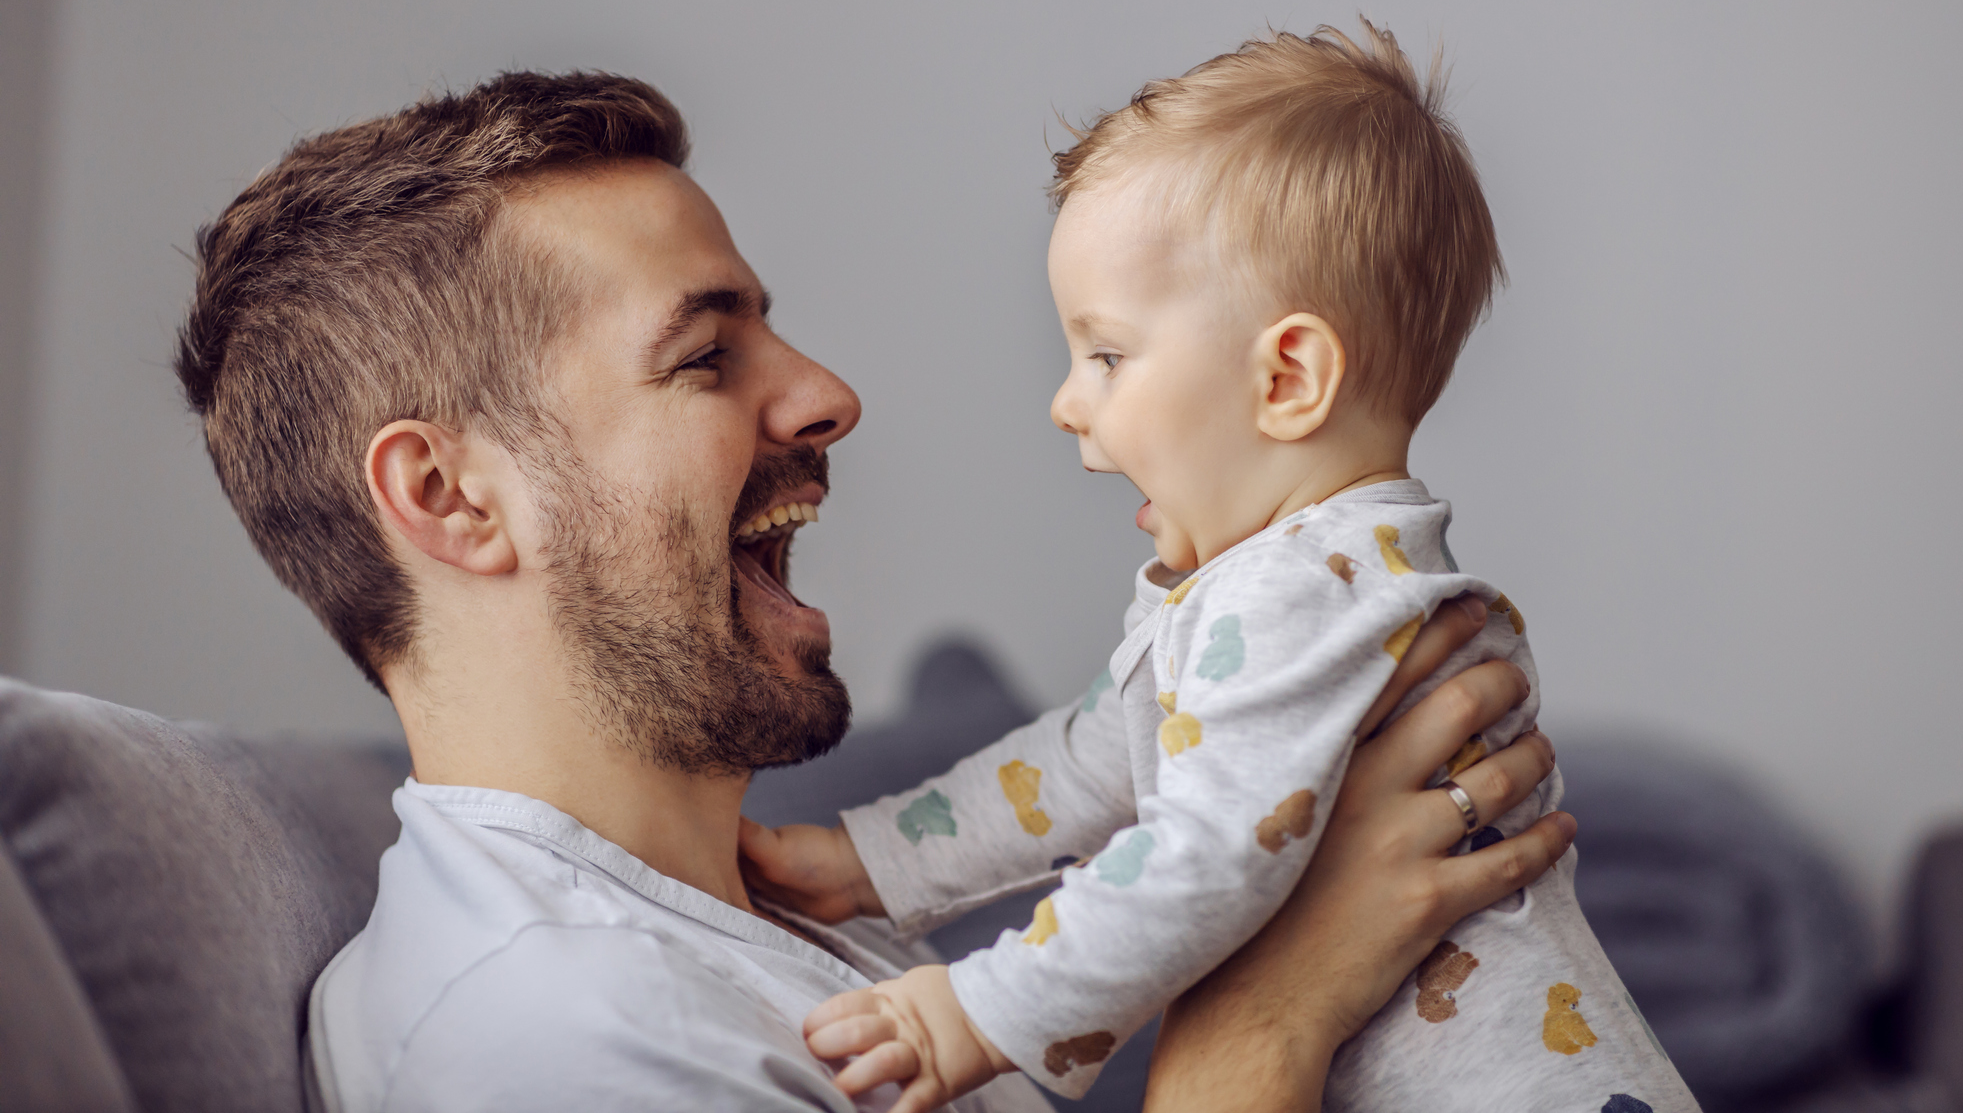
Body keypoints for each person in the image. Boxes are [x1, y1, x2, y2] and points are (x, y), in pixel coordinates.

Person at [173, 71, 1574, 1112]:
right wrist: (1267, 1012)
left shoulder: (762, 917)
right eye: (704, 358)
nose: (829, 394)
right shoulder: (548, 1037)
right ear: (450, 497)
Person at [744, 25, 1691, 1113]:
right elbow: (1079, 765)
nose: (1067, 403)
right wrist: (867, 862)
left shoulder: (1306, 592)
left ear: (1287, 377)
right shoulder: (1279, 585)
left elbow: (1203, 863)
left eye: (1105, 355)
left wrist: (976, 1011)